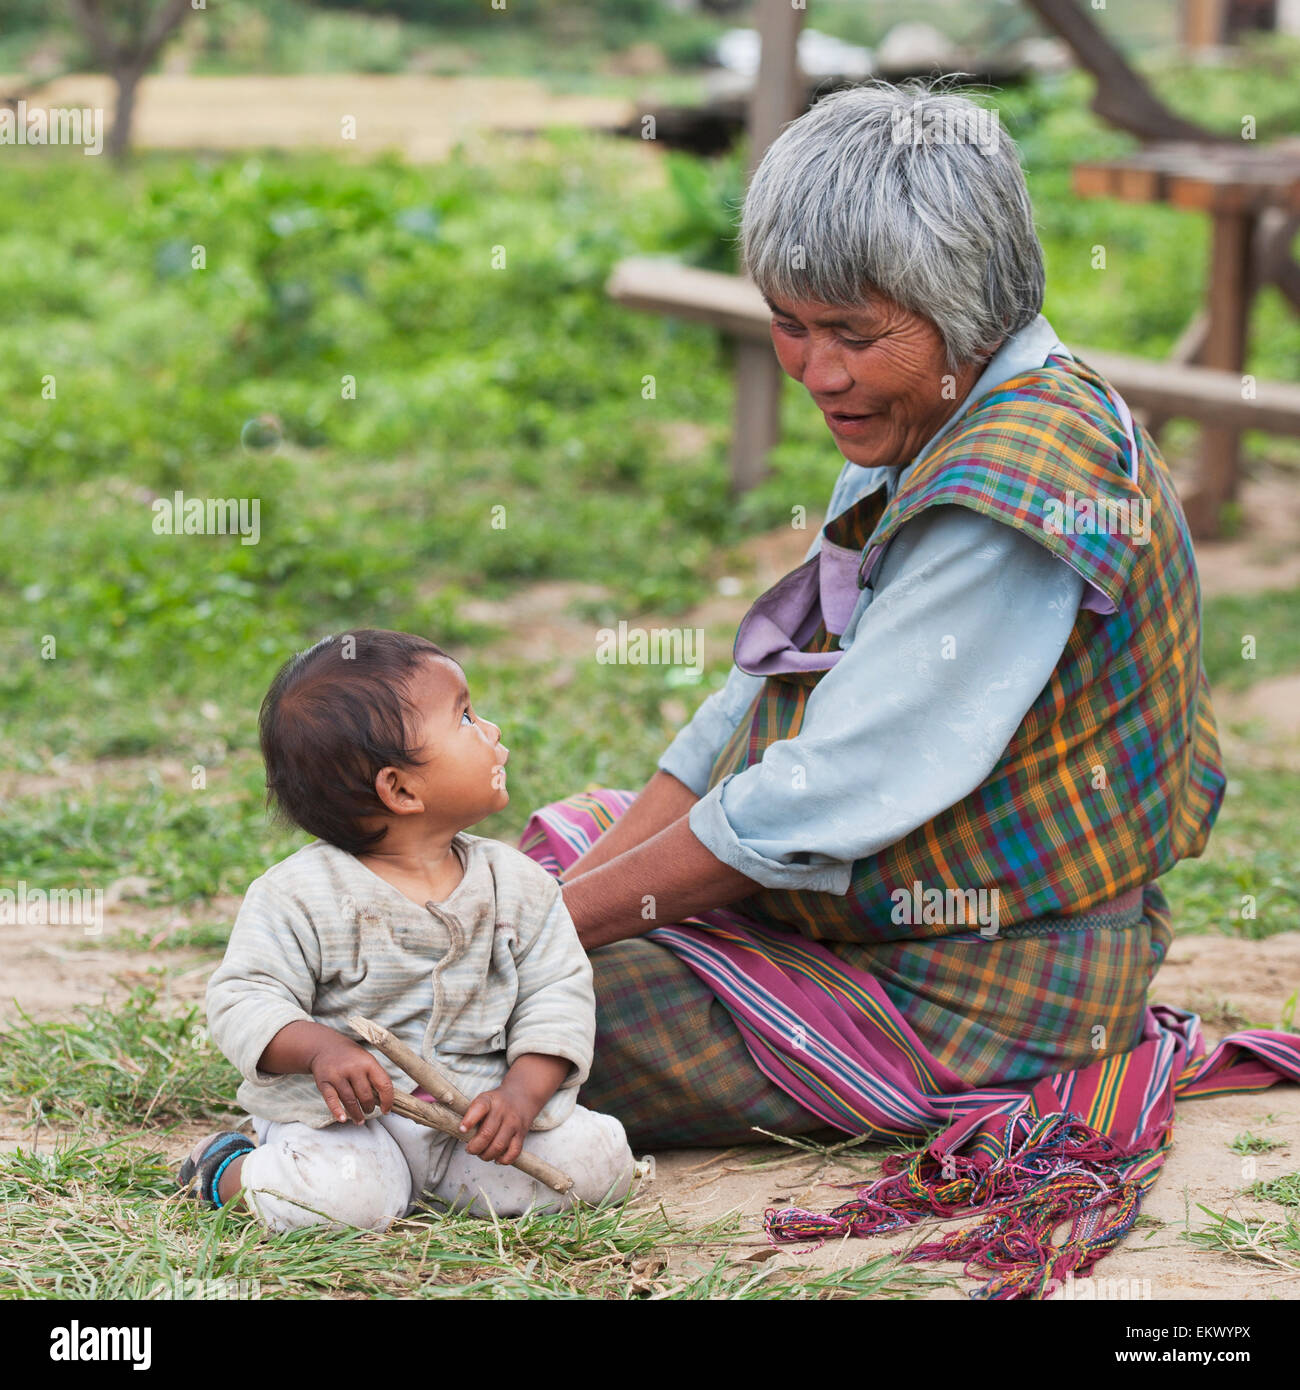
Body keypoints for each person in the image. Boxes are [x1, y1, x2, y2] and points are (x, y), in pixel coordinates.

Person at [529, 80, 1228, 1150]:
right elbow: (750, 705)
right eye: (788, 326)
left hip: (981, 984)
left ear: (961, 308)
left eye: (851, 332)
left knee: (527, 1020)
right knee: (555, 862)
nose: (818, 371)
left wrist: (537, 944)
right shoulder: (936, 410)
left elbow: (829, 791)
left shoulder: (1015, 486)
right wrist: (557, 908)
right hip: (886, 913)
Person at [181, 629, 637, 1233]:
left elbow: (558, 990)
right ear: (399, 789)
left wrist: (522, 1096)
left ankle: (440, 1189)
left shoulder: (517, 885)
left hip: (472, 1123)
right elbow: (243, 997)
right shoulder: (297, 895)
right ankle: (227, 1171)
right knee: (345, 1200)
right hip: (343, 1127)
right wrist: (320, 1048)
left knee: (598, 1162)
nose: (493, 731)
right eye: (467, 717)